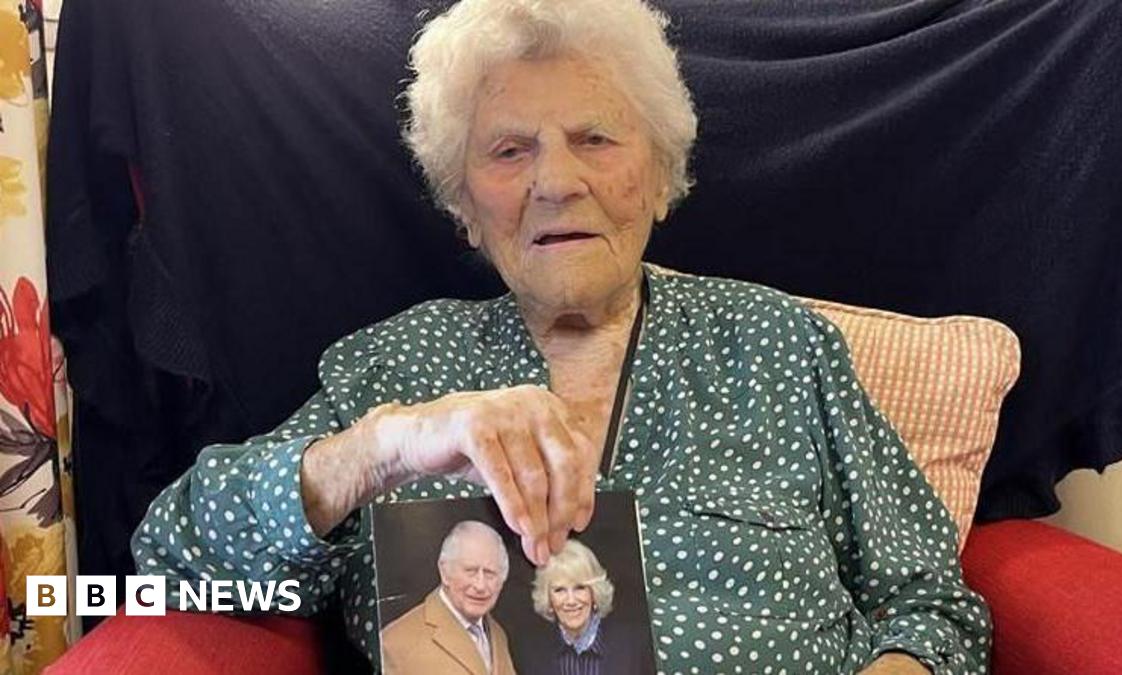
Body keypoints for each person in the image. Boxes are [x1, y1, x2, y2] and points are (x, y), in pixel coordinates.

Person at [132, 0, 993, 672]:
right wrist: (385, 448)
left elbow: (932, 604)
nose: (555, 180)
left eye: (594, 138)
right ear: (464, 210)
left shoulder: (778, 344)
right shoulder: (397, 366)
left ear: (660, 177)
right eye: (508, 151)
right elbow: (170, 562)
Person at [379, 521, 517, 675]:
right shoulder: (394, 643)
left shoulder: (498, 635)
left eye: (490, 573)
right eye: (470, 571)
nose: (480, 585)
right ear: (445, 571)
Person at [529, 539, 650, 675]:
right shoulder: (535, 655)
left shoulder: (634, 645)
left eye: (580, 588)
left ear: (594, 592)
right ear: (548, 599)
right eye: (560, 590)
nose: (571, 600)